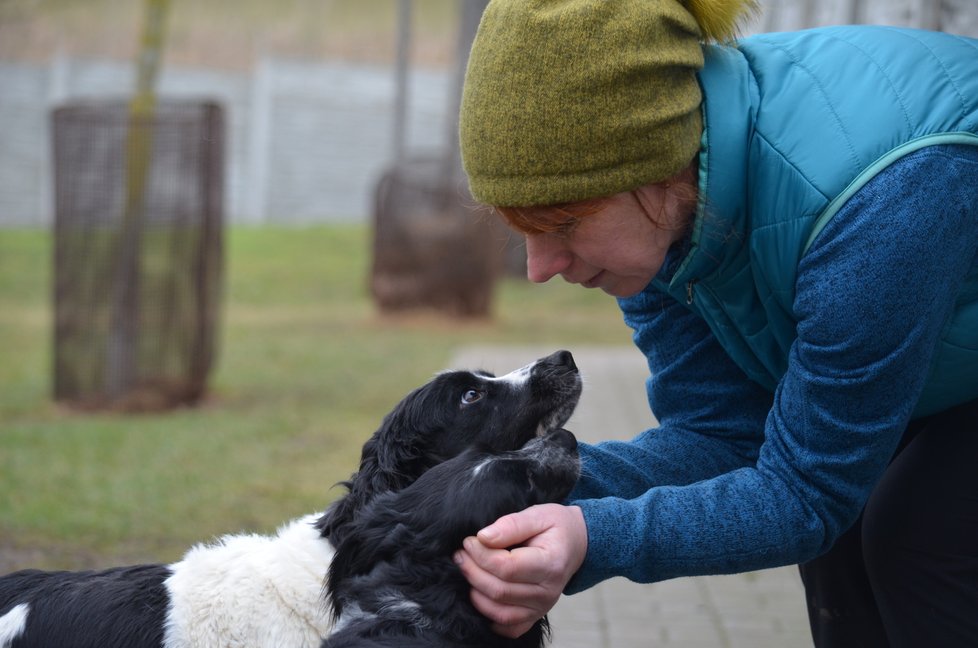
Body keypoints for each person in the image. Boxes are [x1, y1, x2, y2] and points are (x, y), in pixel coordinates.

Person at [452, 1, 978, 646]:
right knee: (841, 555)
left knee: (918, 536)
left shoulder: (879, 203)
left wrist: (591, 538)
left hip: (917, 234)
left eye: (561, 226)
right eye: (524, 232)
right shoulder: (666, 217)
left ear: (652, 168)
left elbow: (806, 493)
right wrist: (511, 486)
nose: (540, 267)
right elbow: (726, 439)